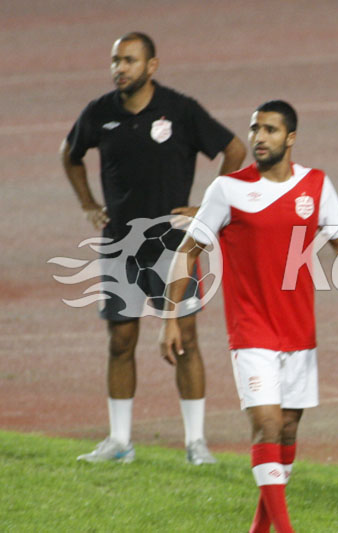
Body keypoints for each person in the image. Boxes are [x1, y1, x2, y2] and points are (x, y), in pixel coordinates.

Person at [160, 99, 338, 533]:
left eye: (271, 130)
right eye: (255, 128)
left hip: (298, 331)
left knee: (288, 431)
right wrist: (169, 317)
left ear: (290, 138)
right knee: (267, 425)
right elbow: (188, 252)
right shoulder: (228, 190)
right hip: (251, 331)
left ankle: (260, 529)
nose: (259, 137)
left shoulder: (316, 185)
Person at [60, 31, 247, 464]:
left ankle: (196, 443)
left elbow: (233, 148)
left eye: (128, 60)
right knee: (121, 340)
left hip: (173, 246)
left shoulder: (180, 110)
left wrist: (206, 204)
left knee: (186, 341)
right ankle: (120, 442)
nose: (119, 68)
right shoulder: (99, 113)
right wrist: (88, 203)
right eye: (114, 60)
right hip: (120, 245)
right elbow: (69, 154)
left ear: (152, 66)